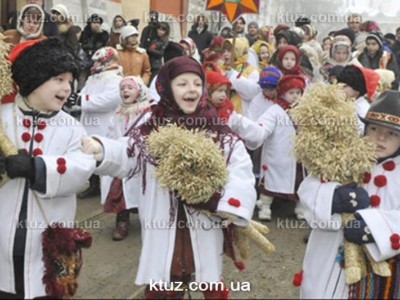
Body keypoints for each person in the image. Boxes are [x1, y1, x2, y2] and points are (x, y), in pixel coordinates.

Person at [81, 56, 256, 299]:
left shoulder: (214, 128)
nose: (191, 89)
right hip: (163, 217)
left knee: (206, 275)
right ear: (166, 87)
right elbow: (128, 150)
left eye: (196, 83)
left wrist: (230, 203)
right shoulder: (154, 125)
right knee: (166, 276)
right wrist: (102, 149)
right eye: (182, 83)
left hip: (205, 217)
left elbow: (240, 167)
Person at [0, 37, 96, 299]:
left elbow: (82, 167)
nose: (68, 87)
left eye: (70, 80)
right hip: (2, 239)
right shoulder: (3, 117)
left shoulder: (70, 126)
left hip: (47, 243)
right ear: (33, 79)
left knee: (45, 290)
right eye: (59, 79)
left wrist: (37, 168)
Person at [298, 90, 400, 298]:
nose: (381, 137)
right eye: (374, 129)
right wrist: (331, 198)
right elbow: (308, 187)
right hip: (329, 251)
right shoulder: (341, 155)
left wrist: (375, 227)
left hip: (377, 259)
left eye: (392, 133)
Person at [68, 46, 123, 199]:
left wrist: (83, 100)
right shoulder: (94, 77)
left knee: (103, 152)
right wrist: (75, 99)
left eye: (99, 61)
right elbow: (85, 93)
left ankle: (108, 187)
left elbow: (109, 100)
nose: (95, 64)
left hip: (105, 122)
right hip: (90, 122)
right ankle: (93, 185)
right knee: (88, 151)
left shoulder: (115, 79)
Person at [101, 76, 150, 240]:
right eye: (122, 89)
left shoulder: (147, 113)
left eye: (130, 88)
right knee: (119, 191)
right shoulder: (118, 113)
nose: (125, 91)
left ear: (139, 91)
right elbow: (110, 133)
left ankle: (149, 221)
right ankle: (122, 222)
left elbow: (150, 136)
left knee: (143, 191)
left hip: (140, 160)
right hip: (121, 158)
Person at [255, 74, 306, 221]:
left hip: (298, 156)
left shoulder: (304, 110)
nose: (295, 97)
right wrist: (259, 130)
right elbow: (263, 125)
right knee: (270, 182)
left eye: (298, 93)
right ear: (283, 93)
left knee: (300, 182)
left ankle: (300, 207)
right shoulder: (275, 110)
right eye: (291, 93)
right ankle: (265, 207)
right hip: (277, 155)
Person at [336, 64, 379, 132]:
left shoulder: (362, 110)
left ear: (357, 90)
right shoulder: (346, 104)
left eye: (345, 86)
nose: (339, 89)